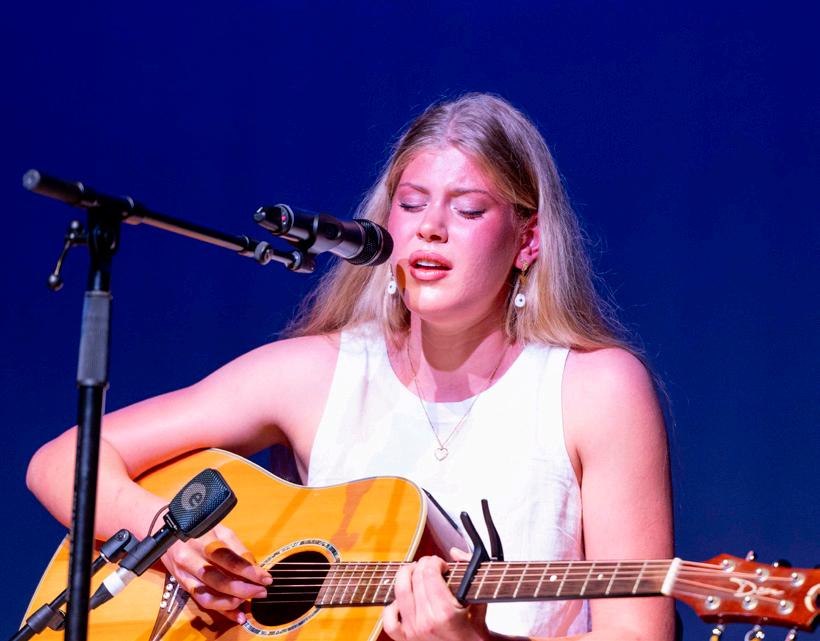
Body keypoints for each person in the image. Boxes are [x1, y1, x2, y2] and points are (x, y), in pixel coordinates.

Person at [27, 93, 674, 640]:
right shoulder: (317, 374)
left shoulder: (595, 391)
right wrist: (169, 540)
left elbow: (640, 632)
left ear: (527, 240)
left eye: (468, 209)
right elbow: (61, 463)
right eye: (412, 204)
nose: (430, 228)